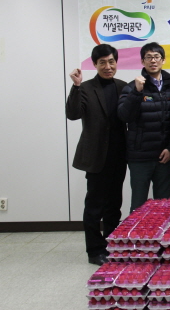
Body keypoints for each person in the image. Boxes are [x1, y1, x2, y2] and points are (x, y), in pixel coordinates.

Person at [66, 44, 127, 266]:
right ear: (95, 64)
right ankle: (94, 250)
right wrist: (76, 86)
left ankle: (111, 244)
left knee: (114, 204)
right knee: (94, 206)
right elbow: (73, 114)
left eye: (111, 62)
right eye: (102, 63)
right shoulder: (85, 87)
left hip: (118, 155)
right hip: (96, 156)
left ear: (116, 63)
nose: (108, 66)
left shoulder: (123, 86)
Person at [118, 42, 170, 213]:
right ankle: (134, 232)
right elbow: (124, 116)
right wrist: (137, 93)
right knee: (138, 206)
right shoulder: (132, 87)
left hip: (164, 157)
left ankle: (161, 233)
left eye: (156, 57)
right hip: (139, 158)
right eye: (148, 57)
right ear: (142, 61)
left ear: (163, 60)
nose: (153, 61)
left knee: (163, 207)